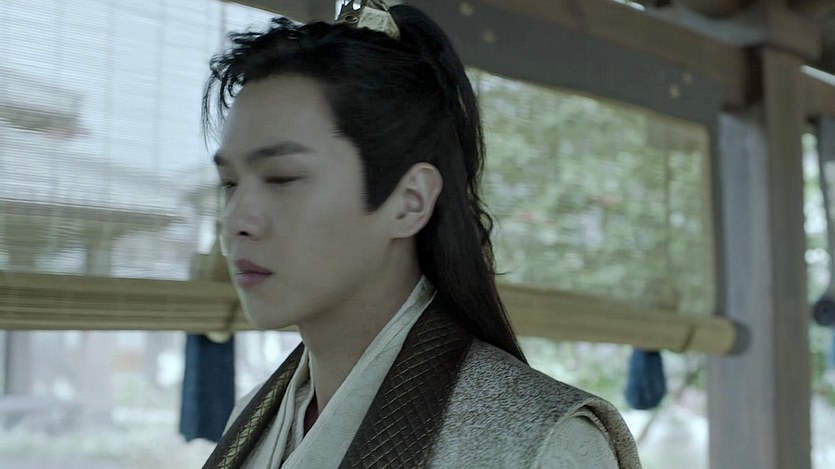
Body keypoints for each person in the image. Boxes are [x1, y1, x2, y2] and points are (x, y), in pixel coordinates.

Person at [201, 1, 641, 467]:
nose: (236, 220)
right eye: (230, 184)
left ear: (409, 201)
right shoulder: (251, 418)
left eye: (282, 178)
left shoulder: (543, 444)